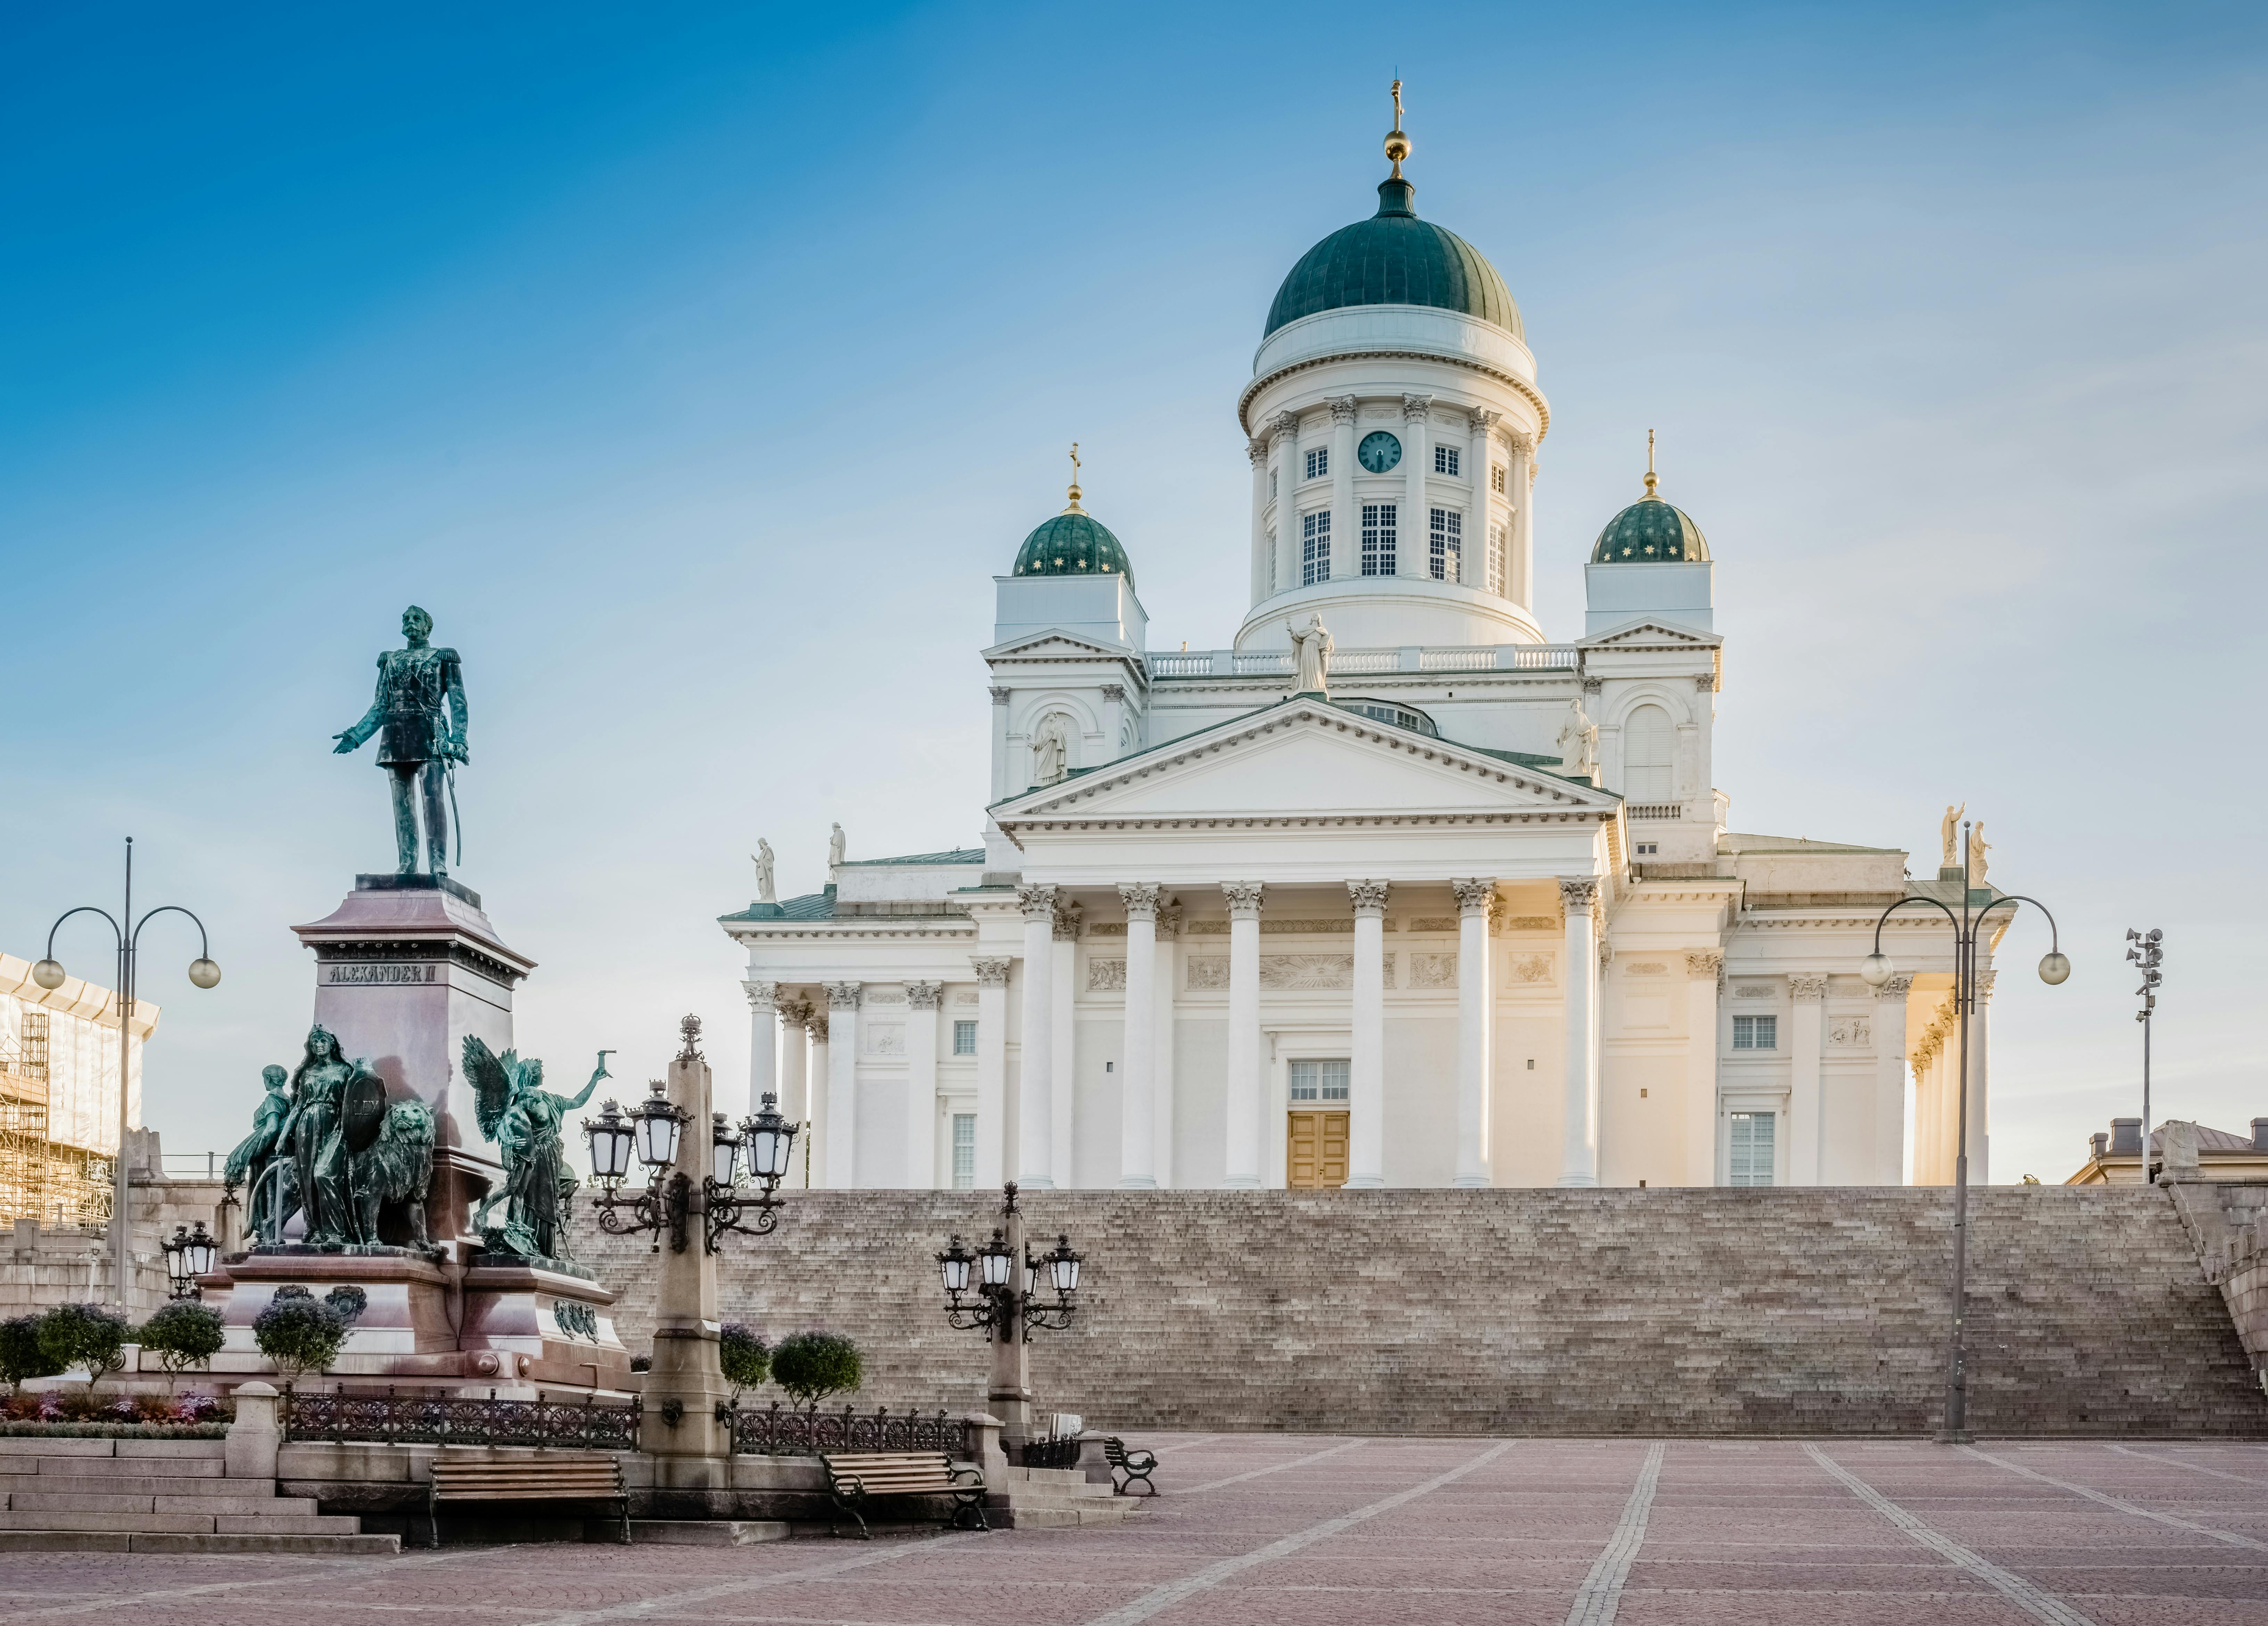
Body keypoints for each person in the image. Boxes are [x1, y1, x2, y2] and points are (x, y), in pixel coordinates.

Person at [332, 605, 468, 879]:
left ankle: (438, 864)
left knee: (433, 800)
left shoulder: (443, 657)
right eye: (406, 619)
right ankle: (407, 863)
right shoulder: (391, 660)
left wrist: (458, 741)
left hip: (430, 734)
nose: (410, 622)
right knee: (402, 806)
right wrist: (356, 736)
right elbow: (381, 705)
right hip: (395, 733)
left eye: (416, 619)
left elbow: (458, 702)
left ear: (428, 627)